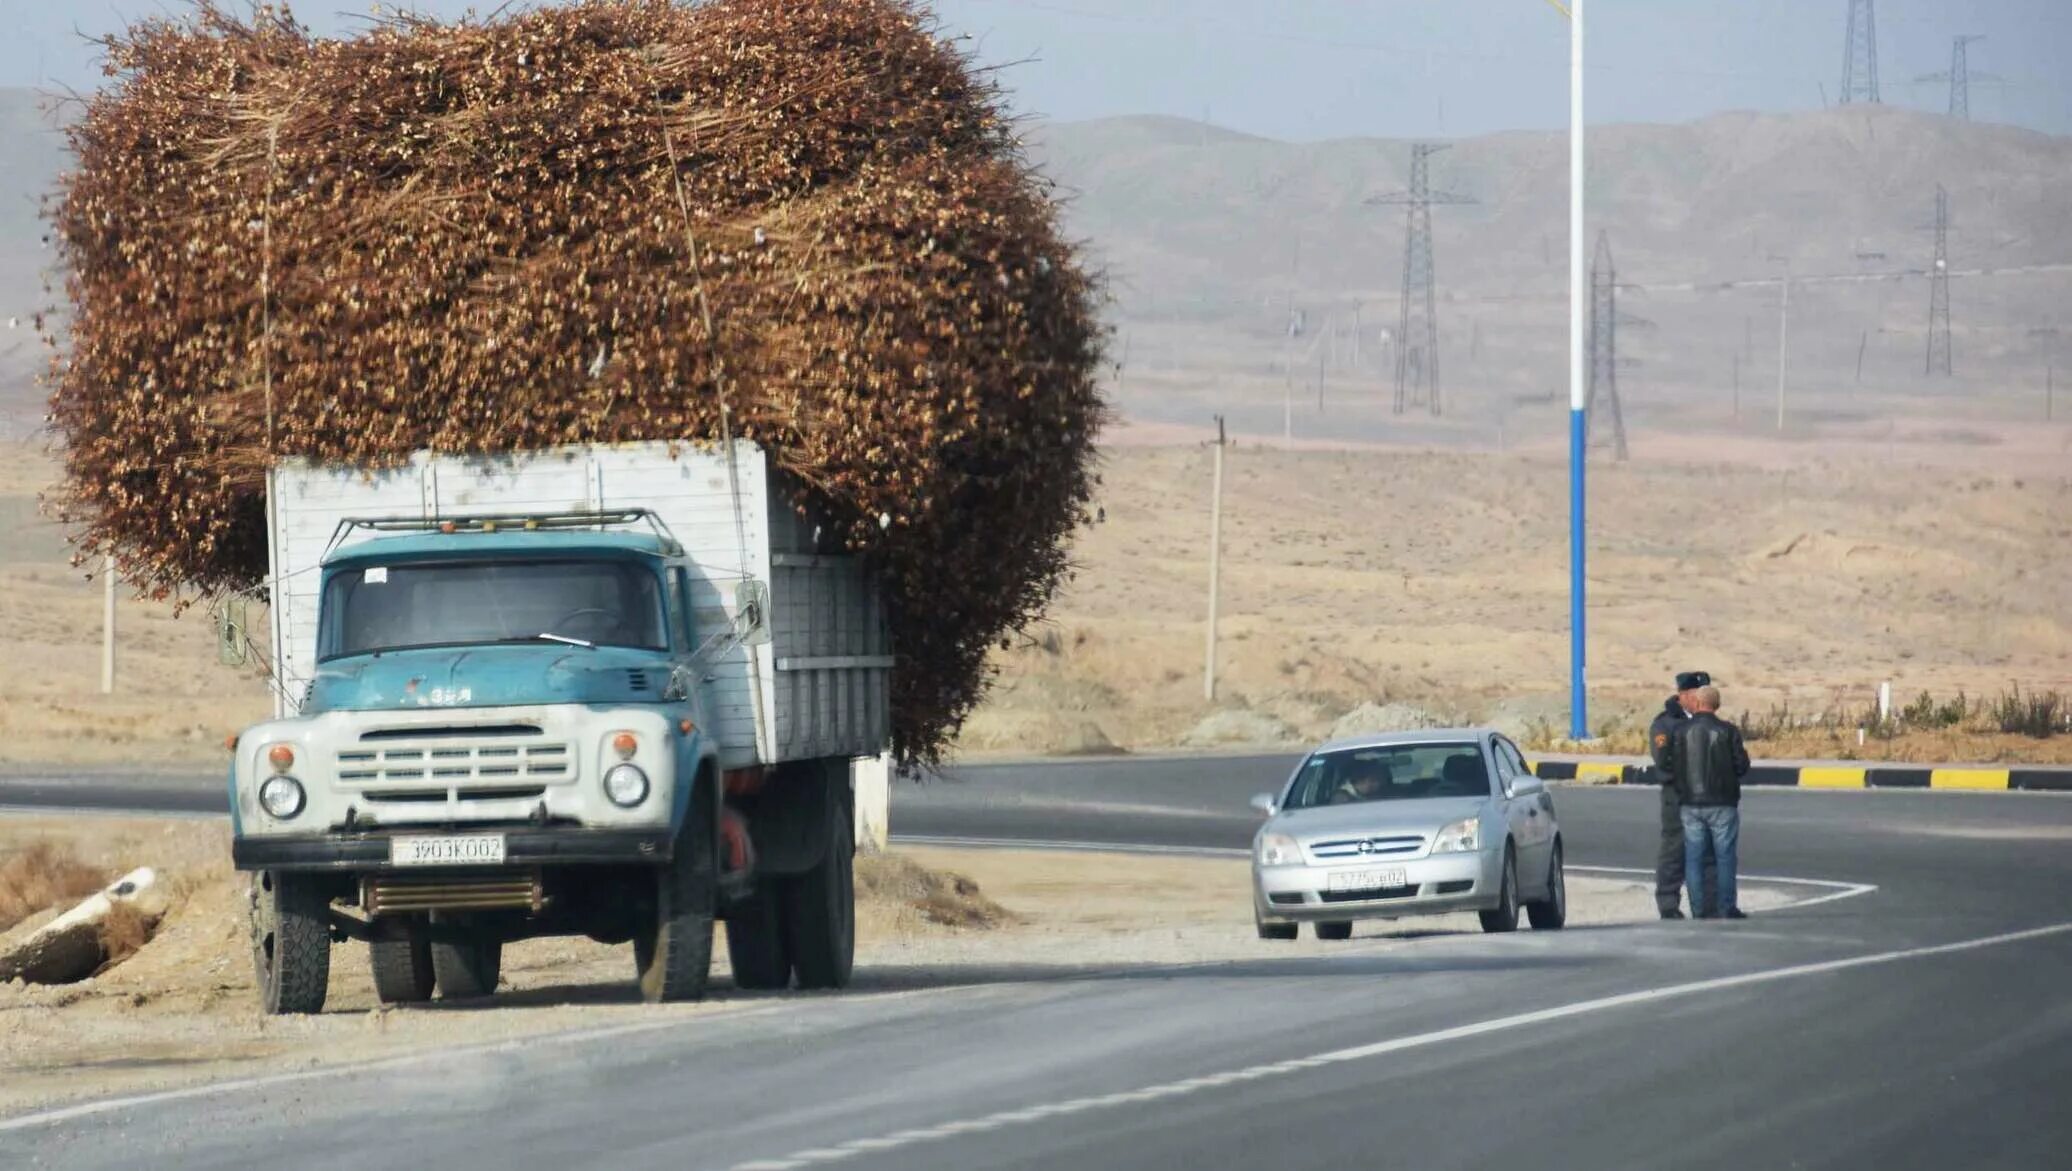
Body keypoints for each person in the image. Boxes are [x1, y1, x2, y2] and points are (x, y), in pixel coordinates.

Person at [1664, 685, 1751, 920]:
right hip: (1723, 803)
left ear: (1698, 703)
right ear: (1716, 704)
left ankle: (1699, 909)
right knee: (1725, 857)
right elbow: (1741, 765)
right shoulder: (1727, 731)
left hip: (1690, 803)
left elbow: (1672, 766)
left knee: (1693, 857)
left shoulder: (1681, 732)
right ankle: (1726, 907)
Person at [1648, 671, 1717, 919]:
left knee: (1708, 851)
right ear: (1684, 695)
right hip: (1678, 797)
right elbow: (1664, 764)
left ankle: (1709, 905)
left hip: (1707, 797)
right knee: (1674, 852)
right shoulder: (1664, 724)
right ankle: (1668, 905)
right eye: (1699, 694)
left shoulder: (1708, 721)